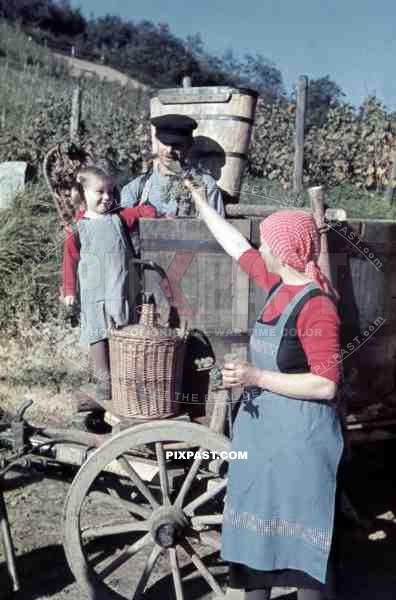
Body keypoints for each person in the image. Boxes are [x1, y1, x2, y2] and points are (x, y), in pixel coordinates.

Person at [184, 180, 344, 600]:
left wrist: (255, 377)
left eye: (268, 242)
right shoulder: (279, 287)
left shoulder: (317, 306)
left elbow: (326, 385)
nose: (262, 248)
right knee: (255, 550)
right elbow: (237, 246)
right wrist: (202, 204)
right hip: (264, 444)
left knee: (305, 557)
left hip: (300, 450)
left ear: (286, 252)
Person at [62, 167, 156, 402]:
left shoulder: (119, 217)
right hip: (94, 292)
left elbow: (146, 212)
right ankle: (104, 381)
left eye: (110, 192)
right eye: (99, 192)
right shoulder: (75, 228)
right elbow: (70, 261)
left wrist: (154, 211)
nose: (107, 197)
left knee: (122, 332)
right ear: (83, 194)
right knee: (97, 334)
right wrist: (70, 291)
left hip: (119, 288)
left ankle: (126, 378)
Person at [121, 114, 225, 217]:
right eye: (165, 143)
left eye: (177, 145)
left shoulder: (206, 185)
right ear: (156, 141)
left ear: (189, 145)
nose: (169, 150)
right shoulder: (136, 188)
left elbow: (219, 230)